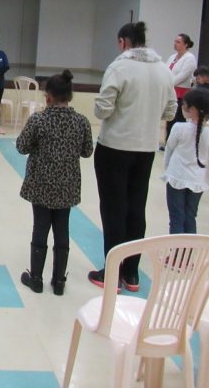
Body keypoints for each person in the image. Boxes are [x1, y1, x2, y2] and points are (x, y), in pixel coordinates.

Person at [89, 22, 177, 291]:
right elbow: (171, 111)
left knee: (113, 208)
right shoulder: (163, 69)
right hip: (146, 149)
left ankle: (112, 272)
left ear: (123, 42)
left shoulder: (120, 67)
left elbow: (103, 110)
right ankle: (131, 273)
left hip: (115, 147)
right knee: (136, 208)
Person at [16, 70, 93, 295]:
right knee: (62, 228)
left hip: (41, 184)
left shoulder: (38, 120)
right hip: (67, 185)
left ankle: (36, 279)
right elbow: (87, 151)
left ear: (48, 97)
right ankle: (59, 281)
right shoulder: (81, 121)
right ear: (69, 96)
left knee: (40, 228)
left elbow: (21, 146)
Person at [162, 88, 209, 234]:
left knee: (176, 218)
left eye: (184, 104)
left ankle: (176, 249)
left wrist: (167, 171)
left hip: (177, 176)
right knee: (190, 217)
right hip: (198, 181)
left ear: (192, 109)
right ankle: (189, 248)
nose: (182, 107)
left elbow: (169, 151)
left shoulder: (179, 127)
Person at [164, 33, 196, 143]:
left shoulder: (190, 58)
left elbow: (183, 75)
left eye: (178, 42)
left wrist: (168, 83)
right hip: (170, 91)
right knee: (169, 118)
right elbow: (165, 71)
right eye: (175, 41)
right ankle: (168, 141)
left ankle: (178, 142)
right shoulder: (172, 57)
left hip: (181, 93)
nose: (175, 44)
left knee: (178, 119)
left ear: (186, 44)